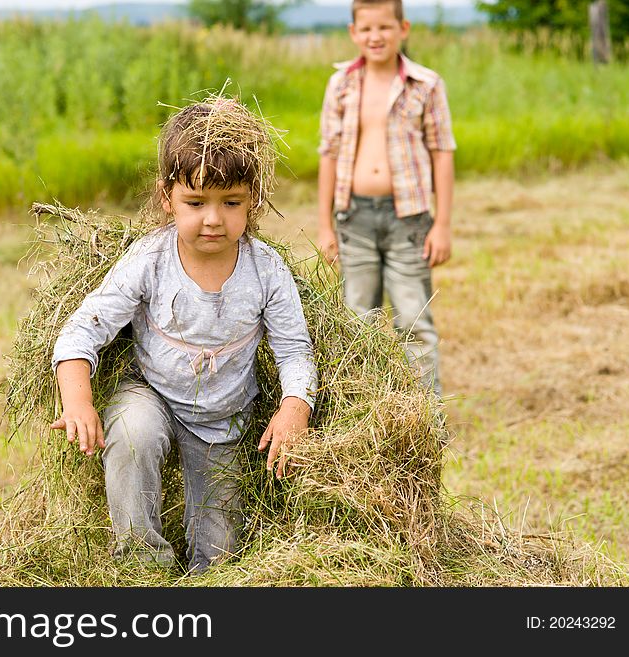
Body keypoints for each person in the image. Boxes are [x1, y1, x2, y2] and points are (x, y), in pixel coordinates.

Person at [49, 97, 318, 573]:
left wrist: (296, 406)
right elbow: (81, 331)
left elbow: (294, 349)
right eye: (195, 203)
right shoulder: (150, 259)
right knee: (133, 433)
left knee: (219, 557)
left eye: (230, 203)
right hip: (151, 393)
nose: (213, 219)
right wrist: (78, 400)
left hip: (223, 418)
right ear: (166, 197)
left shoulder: (266, 271)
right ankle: (141, 565)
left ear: (253, 199)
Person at [317, 0, 456, 397]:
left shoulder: (426, 84)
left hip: (408, 220)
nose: (375, 37)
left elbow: (442, 153)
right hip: (354, 217)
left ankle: (427, 424)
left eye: (384, 28)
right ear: (353, 33)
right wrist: (325, 224)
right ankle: (359, 421)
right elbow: (328, 152)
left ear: (403, 29)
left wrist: (442, 225)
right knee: (356, 323)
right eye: (366, 29)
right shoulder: (341, 84)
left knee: (414, 323)